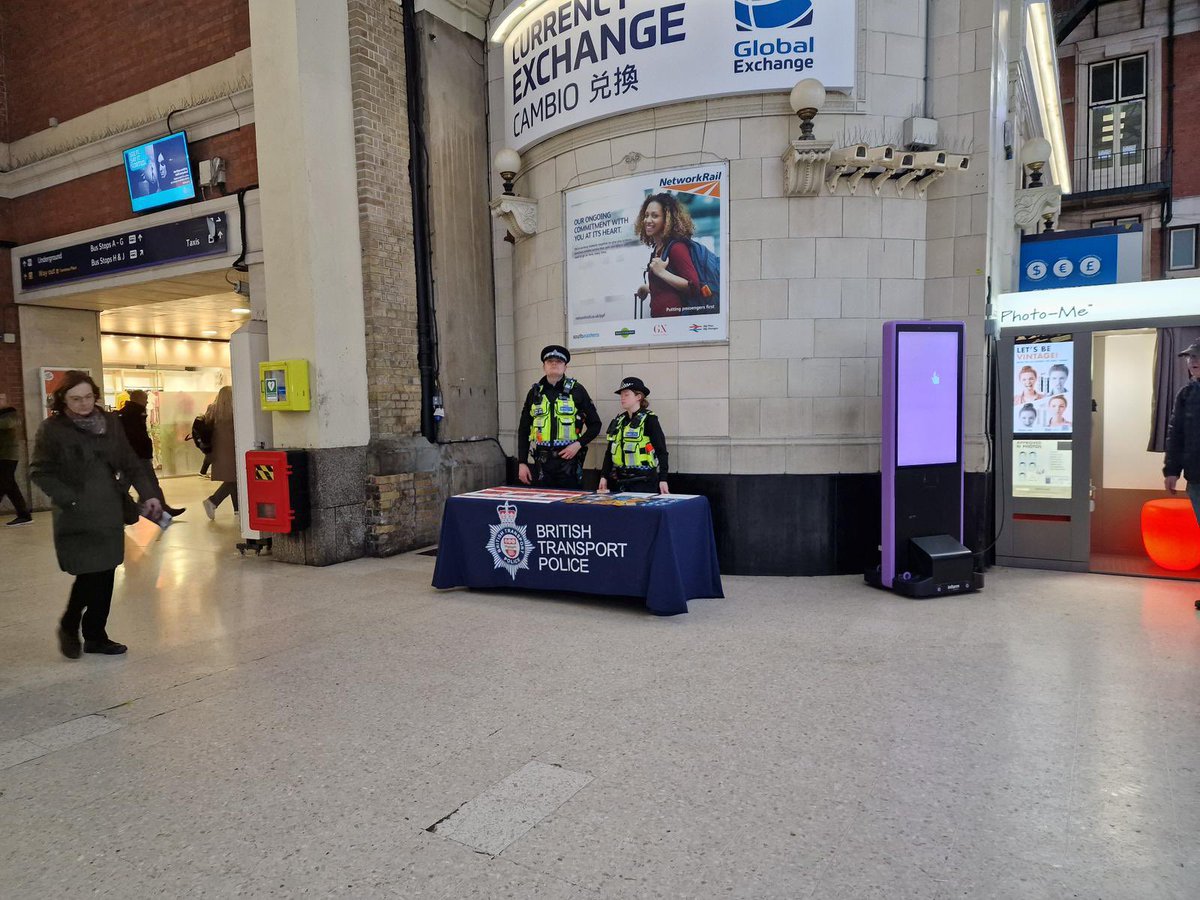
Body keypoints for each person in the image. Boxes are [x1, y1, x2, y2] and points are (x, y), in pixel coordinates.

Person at [31, 371, 162, 657]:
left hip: (108, 509)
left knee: (105, 571)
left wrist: (148, 492)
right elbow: (39, 471)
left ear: (96, 396)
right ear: (63, 399)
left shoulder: (110, 423)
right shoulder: (51, 429)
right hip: (76, 514)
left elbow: (130, 461)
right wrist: (70, 499)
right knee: (90, 573)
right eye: (75, 399)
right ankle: (72, 623)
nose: (83, 404)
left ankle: (93, 635)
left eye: (88, 397)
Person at [517, 345, 601, 489]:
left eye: (559, 361)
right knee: (543, 505)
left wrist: (578, 444)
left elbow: (595, 424)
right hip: (542, 463)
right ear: (544, 367)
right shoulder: (534, 393)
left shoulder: (577, 390)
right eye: (550, 361)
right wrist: (522, 462)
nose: (554, 364)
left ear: (565, 367)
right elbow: (524, 429)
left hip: (568, 462)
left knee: (570, 506)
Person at [1163, 340, 1200, 609]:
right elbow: (1176, 433)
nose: (1193, 361)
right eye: (1190, 358)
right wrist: (1171, 470)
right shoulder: (1186, 393)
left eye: (1197, 357)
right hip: (1197, 476)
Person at [117, 390, 185, 517]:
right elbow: (137, 437)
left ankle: (155, 507)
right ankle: (159, 508)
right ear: (139, 399)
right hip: (138, 456)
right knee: (147, 483)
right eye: (145, 399)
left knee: (133, 483)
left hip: (134, 455)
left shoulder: (128, 413)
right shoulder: (135, 413)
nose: (147, 401)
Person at [598, 377, 670, 495]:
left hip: (644, 482)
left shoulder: (649, 419)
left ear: (638, 397)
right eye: (621, 395)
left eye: (626, 395)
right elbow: (609, 452)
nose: (622, 398)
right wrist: (603, 476)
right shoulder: (619, 421)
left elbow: (661, 451)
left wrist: (663, 479)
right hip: (620, 481)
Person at [634, 193, 702, 318]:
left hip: (676, 324)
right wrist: (647, 288)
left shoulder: (676, 248)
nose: (648, 220)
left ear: (667, 220)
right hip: (660, 323)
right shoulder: (658, 249)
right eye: (646, 215)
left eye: (655, 216)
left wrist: (661, 272)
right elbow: (667, 288)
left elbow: (693, 286)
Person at [202, 386, 239, 519]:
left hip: (218, 451)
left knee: (233, 479)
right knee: (234, 479)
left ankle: (237, 510)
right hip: (232, 450)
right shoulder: (234, 411)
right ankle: (213, 501)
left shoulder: (212, 410)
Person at [0, 400, 33, 526]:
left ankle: (24, 515)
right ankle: (24, 515)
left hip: (9, 456)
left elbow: (7, 424)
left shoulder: (11, 415)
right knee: (10, 486)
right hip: (3, 456)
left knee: (3, 484)